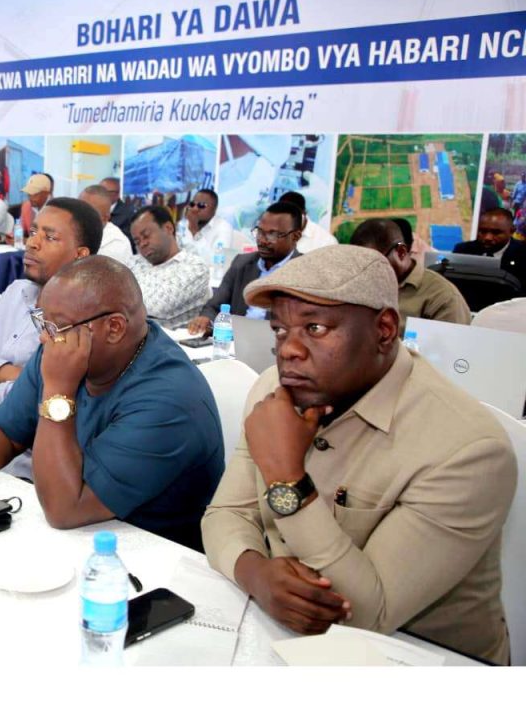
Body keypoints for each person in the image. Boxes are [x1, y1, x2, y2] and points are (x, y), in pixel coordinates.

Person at [201, 244, 516, 664]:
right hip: (283, 635)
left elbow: (368, 613)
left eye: (314, 328)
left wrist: (286, 478)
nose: (288, 349)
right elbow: (224, 515)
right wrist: (255, 572)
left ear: (384, 329)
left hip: (426, 660)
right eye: (279, 329)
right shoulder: (273, 390)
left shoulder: (467, 449)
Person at [0, 256, 224, 550]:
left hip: (149, 555)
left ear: (114, 327)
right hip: (80, 533)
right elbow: (6, 432)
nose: (44, 337)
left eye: (57, 326)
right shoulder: (63, 345)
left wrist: (58, 390)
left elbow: (65, 510)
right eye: (42, 321)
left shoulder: (170, 401)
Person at [0, 198, 103, 479]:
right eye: (33, 232)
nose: (32, 243)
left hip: (11, 470)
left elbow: (39, 405)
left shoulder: (86, 324)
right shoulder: (17, 292)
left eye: (49, 237)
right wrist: (7, 372)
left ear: (81, 255)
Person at [187, 201, 302, 335]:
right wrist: (206, 318)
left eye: (272, 234)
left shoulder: (305, 273)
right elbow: (213, 306)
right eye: (260, 232)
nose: (262, 240)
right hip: (234, 342)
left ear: (295, 236)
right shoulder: (242, 263)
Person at [351, 218, 470, 330]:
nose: (367, 271)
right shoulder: (359, 285)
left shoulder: (442, 297)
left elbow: (448, 344)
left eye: (374, 263)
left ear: (401, 252)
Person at [128, 205, 209, 330]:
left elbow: (156, 308)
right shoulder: (134, 262)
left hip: (168, 339)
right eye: (137, 242)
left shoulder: (194, 267)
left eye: (146, 236)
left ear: (168, 228)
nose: (143, 244)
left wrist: (120, 300)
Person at [454, 207, 526, 289]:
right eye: (483, 231)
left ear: (512, 231)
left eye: (496, 232)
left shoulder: (523, 253)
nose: (487, 237)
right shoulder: (463, 250)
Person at [78, 185, 132, 266]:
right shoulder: (72, 229)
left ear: (105, 218)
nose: (79, 214)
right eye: (78, 208)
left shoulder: (116, 243)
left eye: (87, 212)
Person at [177, 189, 235, 262]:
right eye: (192, 204)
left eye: (201, 205)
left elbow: (216, 261)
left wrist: (194, 229)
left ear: (214, 209)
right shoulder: (183, 224)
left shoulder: (224, 228)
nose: (195, 209)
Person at [101, 176, 135, 248]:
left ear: (117, 194)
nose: (100, 195)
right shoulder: (94, 210)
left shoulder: (128, 214)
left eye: (104, 192)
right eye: (99, 191)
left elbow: (130, 242)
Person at [19, 174, 52, 238]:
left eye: (35, 194)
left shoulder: (56, 211)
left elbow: (49, 240)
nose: (31, 198)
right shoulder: (26, 206)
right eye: (29, 194)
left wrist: (25, 241)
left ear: (46, 193)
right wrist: (13, 237)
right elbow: (20, 229)